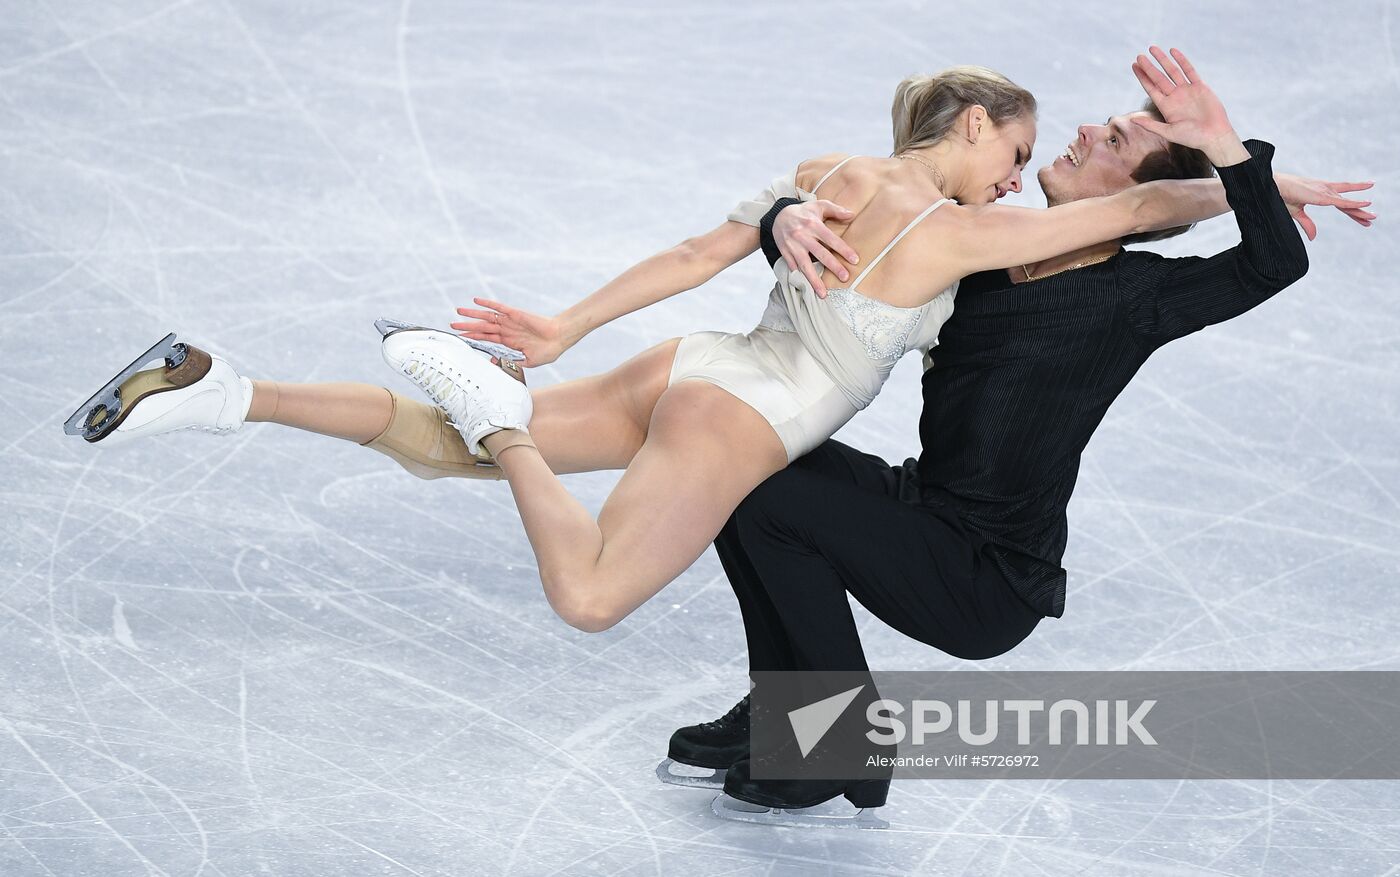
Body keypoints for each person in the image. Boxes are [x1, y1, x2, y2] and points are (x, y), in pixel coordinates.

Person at [664, 54, 1375, 825]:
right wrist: (779, 220)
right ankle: (787, 713)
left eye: (1110, 140)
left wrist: (1234, 152)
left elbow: (1274, 262)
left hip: (988, 571)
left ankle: (837, 740)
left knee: (775, 507)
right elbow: (859, 241)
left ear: (1138, 197)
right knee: (743, 464)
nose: (1081, 133)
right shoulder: (989, 248)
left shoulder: (1137, 296)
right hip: (929, 503)